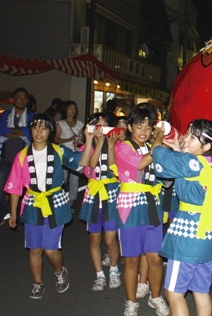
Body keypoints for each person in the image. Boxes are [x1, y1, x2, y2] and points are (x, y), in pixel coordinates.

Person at [4, 114, 91, 299]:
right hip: (32, 204)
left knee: (51, 249)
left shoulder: (58, 151)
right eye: (35, 127)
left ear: (50, 131)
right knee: (35, 248)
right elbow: (15, 186)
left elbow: (81, 162)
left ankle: (59, 271)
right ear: (30, 130)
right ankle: (37, 282)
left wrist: (89, 140)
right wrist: (13, 213)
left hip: (55, 203)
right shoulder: (22, 155)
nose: (39, 131)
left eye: (44, 127)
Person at [152, 119, 212, 316]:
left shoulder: (190, 162)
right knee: (201, 290)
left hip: (190, 230)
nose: (185, 139)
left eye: (192, 137)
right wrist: (180, 149)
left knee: (174, 292)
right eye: (186, 134)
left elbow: (158, 156)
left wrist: (160, 136)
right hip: (209, 230)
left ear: (205, 146)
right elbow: (188, 166)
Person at [113, 107, 169, 316]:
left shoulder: (152, 147)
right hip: (130, 208)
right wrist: (159, 139)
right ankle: (131, 302)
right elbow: (141, 164)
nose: (144, 131)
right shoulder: (123, 147)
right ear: (129, 127)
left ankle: (155, 297)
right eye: (139, 126)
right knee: (132, 260)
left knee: (155, 258)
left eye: (148, 127)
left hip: (152, 205)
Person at [79, 113, 121, 291]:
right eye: (97, 124)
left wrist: (109, 146)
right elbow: (89, 168)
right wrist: (93, 142)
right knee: (95, 239)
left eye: (105, 124)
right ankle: (99, 275)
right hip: (94, 194)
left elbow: (114, 169)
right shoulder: (86, 146)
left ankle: (113, 269)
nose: (101, 127)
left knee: (111, 239)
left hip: (111, 193)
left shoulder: (117, 145)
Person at [0, 87, 35, 229]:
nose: (21, 99)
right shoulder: (5, 115)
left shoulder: (32, 116)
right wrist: (21, 132)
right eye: (18, 97)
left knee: (24, 192)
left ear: (27, 100)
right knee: (0, 191)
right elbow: (1, 131)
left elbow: (30, 133)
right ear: (13, 100)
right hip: (6, 159)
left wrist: (12, 131)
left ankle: (20, 218)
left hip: (24, 161)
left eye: (24, 97)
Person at [54, 100, 84, 210]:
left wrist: (79, 142)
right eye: (70, 108)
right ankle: (60, 201)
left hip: (76, 154)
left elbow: (83, 139)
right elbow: (56, 139)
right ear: (65, 110)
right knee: (62, 179)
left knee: (74, 180)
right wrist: (69, 139)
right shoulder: (61, 123)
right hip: (64, 154)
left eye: (74, 108)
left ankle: (71, 204)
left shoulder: (80, 124)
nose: (73, 111)